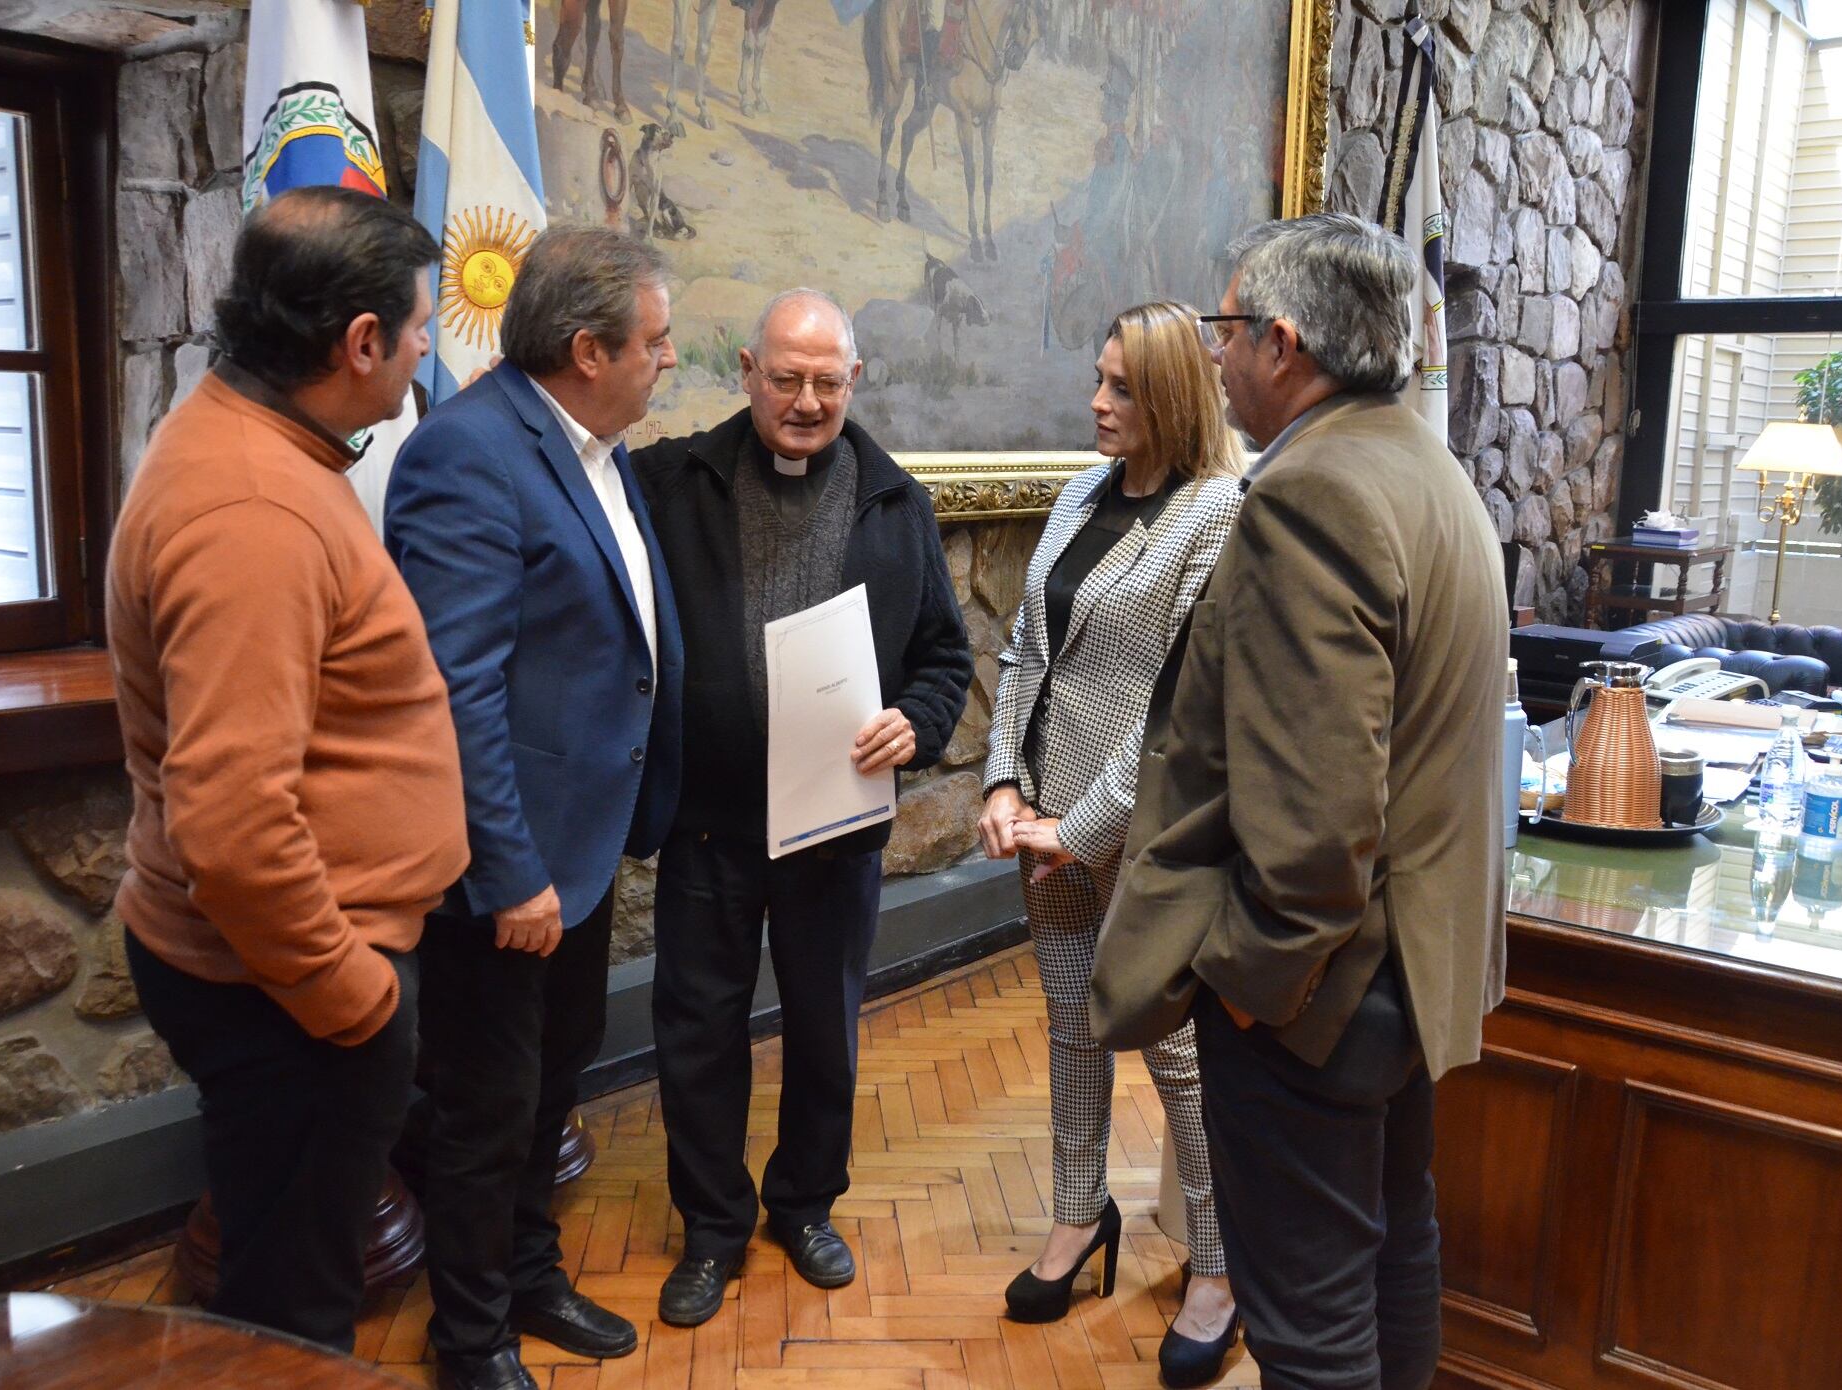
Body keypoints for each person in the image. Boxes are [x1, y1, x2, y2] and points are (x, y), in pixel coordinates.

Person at [1092, 213, 1509, 1390]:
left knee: (1312, 1323)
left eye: (1227, 329)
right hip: (1413, 969)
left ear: (1283, 342)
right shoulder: (1425, 465)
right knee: (1391, 1256)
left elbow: (1318, 817)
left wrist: (1252, 987)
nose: (1216, 355)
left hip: (1323, 995)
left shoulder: (1307, 494)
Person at [107, 186, 467, 1352]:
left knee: (286, 1268)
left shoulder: (249, 433)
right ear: (359, 342)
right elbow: (231, 827)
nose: (424, 351)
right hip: (292, 990)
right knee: (294, 1313)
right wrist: (351, 998)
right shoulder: (255, 503)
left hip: (294, 976)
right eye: (417, 329)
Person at [631, 289, 972, 1329]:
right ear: (746, 368)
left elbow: (945, 659)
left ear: (854, 382)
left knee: (826, 1032)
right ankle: (712, 1227)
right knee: (698, 1031)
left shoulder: (894, 503)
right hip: (708, 824)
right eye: (787, 376)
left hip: (834, 831)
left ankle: (806, 1202)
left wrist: (917, 721)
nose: (806, 400)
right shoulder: (669, 481)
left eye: (828, 380)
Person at [384, 226, 684, 1390]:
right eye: (652, 342)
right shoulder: (471, 453)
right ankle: (471, 1340)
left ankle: (529, 1273)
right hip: (506, 868)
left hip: (584, 847)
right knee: (486, 1110)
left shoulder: (595, 443)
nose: (668, 358)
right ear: (585, 350)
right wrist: (507, 871)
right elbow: (455, 689)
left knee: (552, 1084)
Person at [978, 301, 1244, 1387]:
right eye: (1099, 379)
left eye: (1123, 388)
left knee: (1177, 1057)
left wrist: (1080, 829)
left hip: (1142, 836)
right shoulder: (1083, 490)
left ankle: (1221, 1270)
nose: (1097, 402)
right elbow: (1027, 651)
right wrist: (1003, 778)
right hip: (1043, 820)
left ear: (1175, 394)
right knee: (1071, 1027)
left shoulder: (1219, 512)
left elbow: (1182, 713)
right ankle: (1078, 1219)